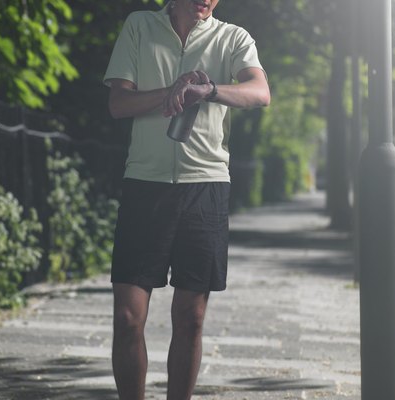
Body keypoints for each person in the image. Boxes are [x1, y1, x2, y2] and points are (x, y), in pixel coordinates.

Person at [103, 0, 270, 399]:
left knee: (191, 318)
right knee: (127, 318)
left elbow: (260, 92)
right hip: (145, 183)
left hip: (206, 186)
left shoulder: (233, 37)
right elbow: (118, 103)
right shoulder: (140, 26)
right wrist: (173, 91)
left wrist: (209, 90)